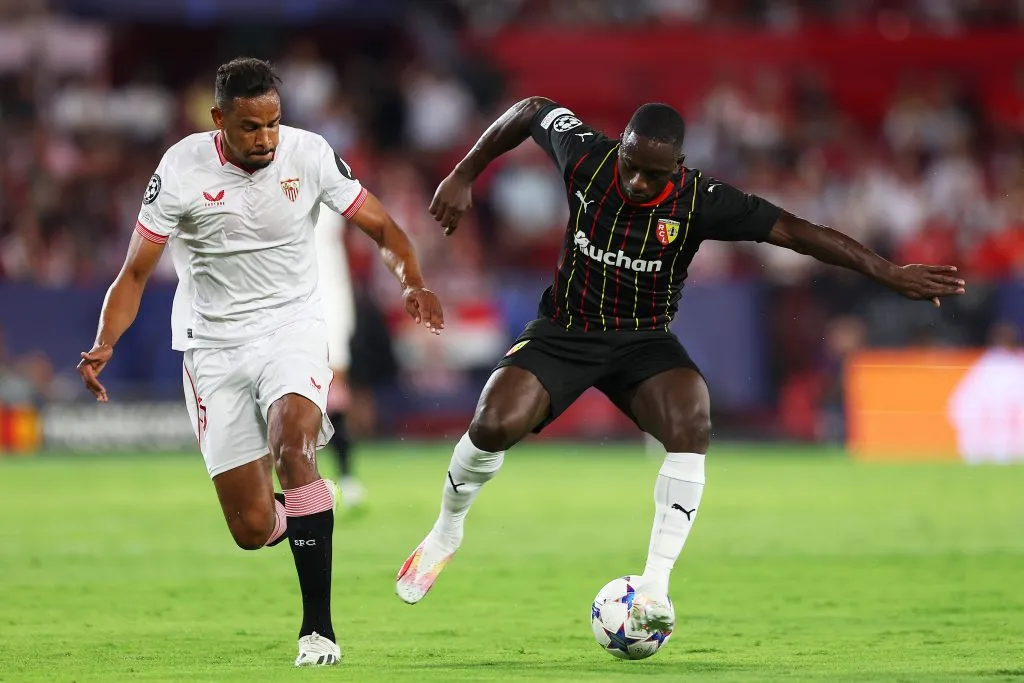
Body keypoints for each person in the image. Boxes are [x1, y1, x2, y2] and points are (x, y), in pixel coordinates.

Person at [395, 97, 966, 608]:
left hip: (643, 340)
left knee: (692, 417)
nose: (639, 181)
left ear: (679, 166)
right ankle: (447, 530)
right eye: (631, 165)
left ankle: (654, 585)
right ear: (620, 146)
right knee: (493, 423)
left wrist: (888, 272)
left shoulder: (702, 200)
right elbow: (530, 109)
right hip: (566, 329)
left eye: (655, 173)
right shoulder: (586, 156)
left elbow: (795, 231)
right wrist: (463, 173)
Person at [76, 57, 444, 666]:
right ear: (218, 119)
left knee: (294, 448)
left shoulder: (310, 154)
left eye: (273, 123)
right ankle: (308, 505)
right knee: (250, 528)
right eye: (250, 126)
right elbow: (135, 272)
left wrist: (413, 281)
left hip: (291, 329)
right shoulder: (181, 169)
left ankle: (318, 632)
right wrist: (105, 340)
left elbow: (382, 227)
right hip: (212, 346)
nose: (266, 138)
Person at [314, 206, 366, 507]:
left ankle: (346, 477)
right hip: (286, 304)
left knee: (335, 397)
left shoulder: (325, 198)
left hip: (329, 300)